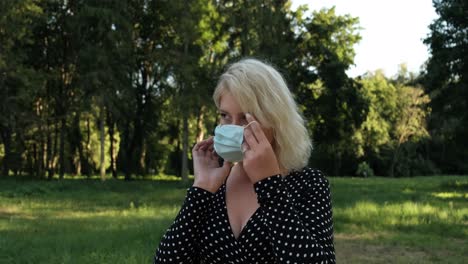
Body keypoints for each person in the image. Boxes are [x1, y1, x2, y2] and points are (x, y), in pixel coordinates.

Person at [153, 58, 335, 263]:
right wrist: (201, 188)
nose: (233, 127)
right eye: (225, 116)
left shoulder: (308, 183)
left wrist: (269, 184)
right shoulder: (216, 184)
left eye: (246, 118)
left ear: (275, 120)